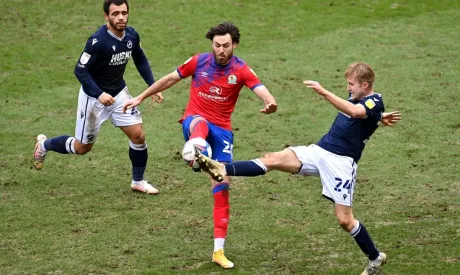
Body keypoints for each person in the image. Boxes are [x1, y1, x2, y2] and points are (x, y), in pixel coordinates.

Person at [195, 62, 402, 275]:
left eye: (351, 84)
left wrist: (324, 92)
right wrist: (377, 119)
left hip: (341, 164)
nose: (348, 88)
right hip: (319, 151)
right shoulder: (360, 99)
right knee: (273, 158)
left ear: (365, 84)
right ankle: (222, 168)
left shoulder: (374, 100)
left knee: (345, 220)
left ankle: (375, 258)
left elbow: (355, 112)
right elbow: (361, 115)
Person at [122, 22, 277, 268]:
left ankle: (218, 251)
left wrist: (270, 103)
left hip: (222, 132)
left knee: (222, 184)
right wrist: (142, 95)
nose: (221, 50)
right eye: (217, 45)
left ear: (234, 44)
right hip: (195, 121)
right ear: (212, 45)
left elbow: (262, 90)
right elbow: (169, 79)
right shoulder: (199, 61)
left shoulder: (242, 69)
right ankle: (196, 151)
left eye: (226, 45)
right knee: (199, 126)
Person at [33, 0, 162, 195]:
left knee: (138, 135)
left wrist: (153, 86)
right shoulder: (97, 41)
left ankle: (138, 181)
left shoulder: (132, 36)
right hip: (94, 98)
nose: (121, 17)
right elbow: (80, 70)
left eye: (124, 13)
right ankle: (43, 145)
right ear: (106, 16)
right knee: (82, 148)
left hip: (119, 94)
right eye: (116, 13)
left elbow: (140, 59)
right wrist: (99, 94)